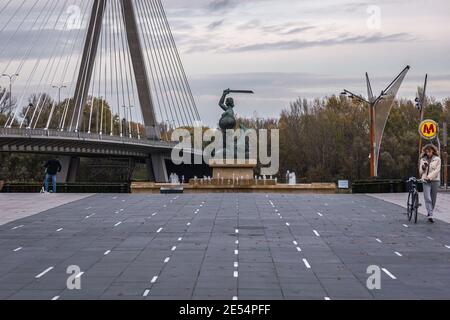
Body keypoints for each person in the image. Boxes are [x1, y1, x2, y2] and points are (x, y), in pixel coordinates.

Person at [419, 144, 441, 223]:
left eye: (429, 151)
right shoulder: (423, 159)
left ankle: (429, 212)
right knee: (427, 198)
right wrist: (423, 168)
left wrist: (429, 177)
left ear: (433, 151)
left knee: (433, 199)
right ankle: (431, 215)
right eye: (426, 151)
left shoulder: (437, 159)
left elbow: (437, 170)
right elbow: (420, 172)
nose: (428, 153)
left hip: (435, 181)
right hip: (425, 181)